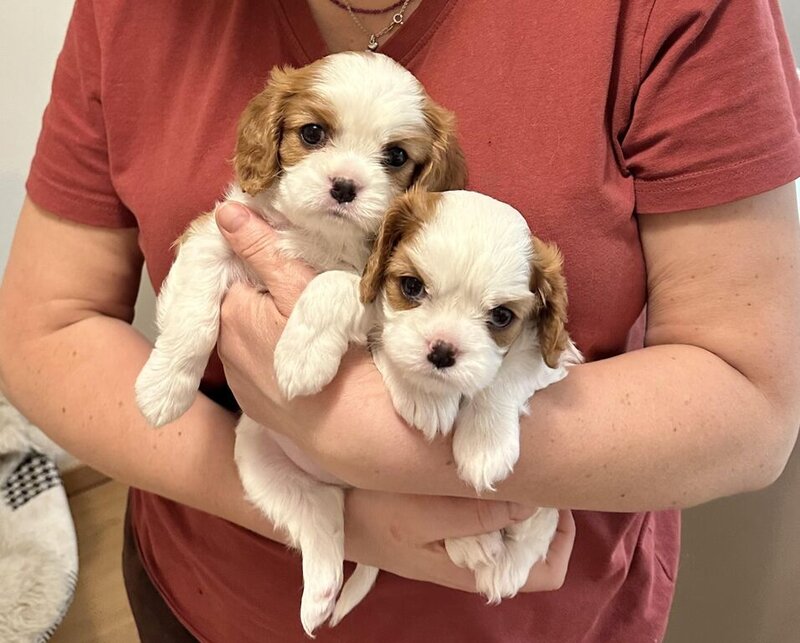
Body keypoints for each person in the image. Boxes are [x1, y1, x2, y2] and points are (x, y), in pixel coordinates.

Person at [1, 0, 799, 641]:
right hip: (200, 588)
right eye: (312, 135)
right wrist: (319, 503)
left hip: (531, 609)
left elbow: (751, 401)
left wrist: (385, 451)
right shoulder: (129, 13)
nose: (352, 177)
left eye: (395, 159)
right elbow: (45, 327)